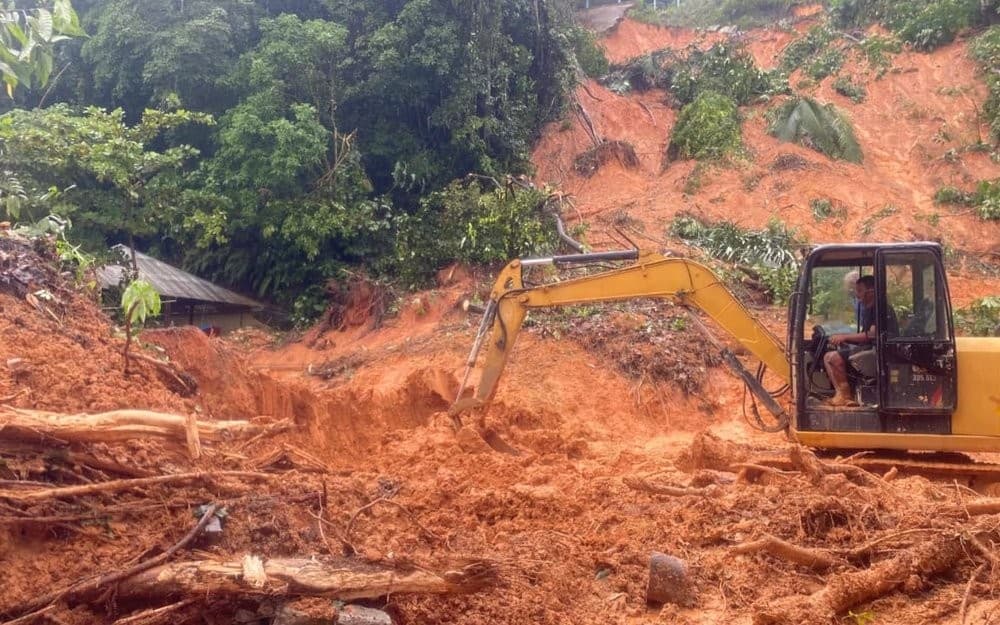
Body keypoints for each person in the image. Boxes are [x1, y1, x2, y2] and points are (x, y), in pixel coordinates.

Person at [824, 275, 876, 406]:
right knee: (828, 356)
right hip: (869, 347)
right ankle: (840, 394)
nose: (856, 294)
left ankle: (845, 396)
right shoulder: (868, 309)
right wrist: (845, 338)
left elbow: (872, 334)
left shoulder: (878, 309)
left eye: (859, 290)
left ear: (870, 291)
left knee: (833, 358)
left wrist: (845, 337)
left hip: (877, 350)